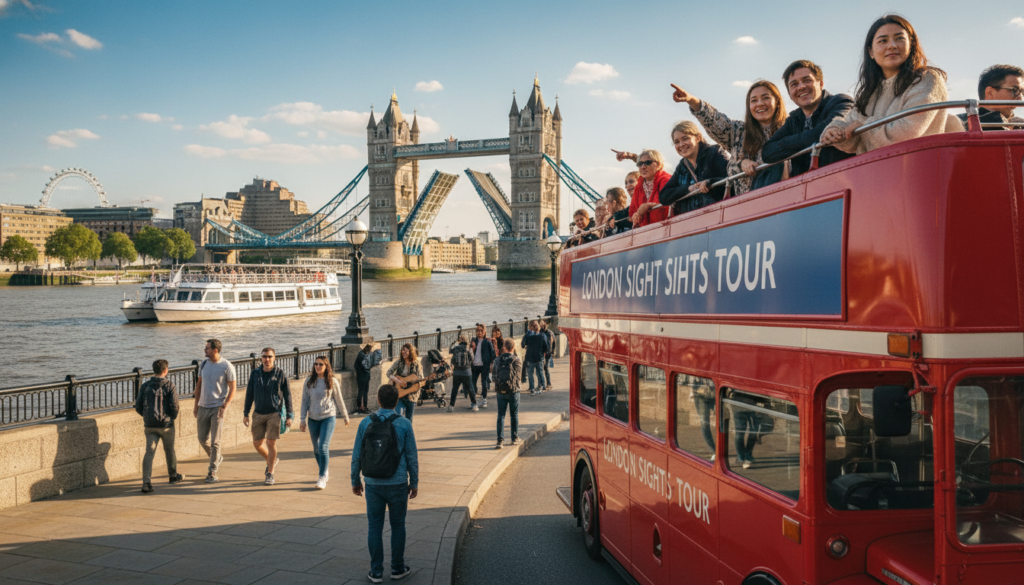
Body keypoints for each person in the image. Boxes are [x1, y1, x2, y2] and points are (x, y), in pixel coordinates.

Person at [821, 15, 956, 154]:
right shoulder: (869, 92)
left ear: (911, 44)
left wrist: (863, 126)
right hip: (873, 172)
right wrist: (836, 130)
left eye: (899, 38)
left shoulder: (927, 79)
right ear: (871, 52)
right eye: (883, 40)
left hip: (918, 168)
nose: (892, 45)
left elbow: (908, 132)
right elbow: (851, 133)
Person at [671, 80, 789, 195]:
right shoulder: (739, 131)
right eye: (753, 100)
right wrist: (692, 100)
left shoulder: (791, 127)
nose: (760, 103)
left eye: (765, 98)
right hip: (748, 207)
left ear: (777, 101)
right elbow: (715, 121)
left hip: (789, 201)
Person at [351, 384, 419, 583]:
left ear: (378, 401)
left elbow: (357, 456)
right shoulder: (404, 424)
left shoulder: (365, 423)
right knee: (398, 526)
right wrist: (413, 482)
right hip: (397, 483)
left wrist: (355, 480)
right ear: (397, 401)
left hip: (372, 482)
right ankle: (398, 568)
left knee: (374, 527)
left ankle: (376, 571)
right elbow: (412, 457)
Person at [762, 60, 856, 176]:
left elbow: (829, 129)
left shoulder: (841, 102)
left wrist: (788, 142)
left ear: (821, 84)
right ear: (790, 94)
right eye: (794, 84)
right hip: (806, 190)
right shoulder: (793, 120)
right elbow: (768, 152)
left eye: (807, 80)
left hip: (841, 181)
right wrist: (810, 137)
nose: (801, 87)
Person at [242, 347, 292, 486]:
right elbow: (249, 394)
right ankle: (272, 460)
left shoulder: (280, 373)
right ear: (261, 358)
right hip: (258, 412)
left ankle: (270, 473)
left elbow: (288, 395)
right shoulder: (255, 373)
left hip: (274, 413)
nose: (267, 359)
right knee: (257, 443)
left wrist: (289, 415)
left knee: (271, 442)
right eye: (264, 357)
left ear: (274, 358)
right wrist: (245, 413)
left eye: (269, 357)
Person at [658, 122, 731, 216]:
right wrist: (688, 188)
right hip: (692, 222)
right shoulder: (681, 166)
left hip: (720, 215)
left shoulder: (714, 152)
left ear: (698, 138)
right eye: (676, 142)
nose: (681, 144)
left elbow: (732, 180)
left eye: (685, 139)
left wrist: (710, 182)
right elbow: (663, 197)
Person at [299, 356, 350, 490]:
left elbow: (339, 399)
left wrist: (345, 415)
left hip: (328, 417)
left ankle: (322, 476)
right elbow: (304, 401)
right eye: (316, 364)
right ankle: (325, 469)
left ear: (326, 366)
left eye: (320, 364)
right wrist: (302, 419)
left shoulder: (332, 381)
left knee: (323, 446)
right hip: (313, 419)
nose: (317, 366)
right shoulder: (309, 382)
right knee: (316, 448)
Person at [134, 359, 183, 493]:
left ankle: (146, 482)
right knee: (170, 450)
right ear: (166, 370)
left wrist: (147, 417)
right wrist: (171, 417)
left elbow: (138, 406)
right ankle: (173, 476)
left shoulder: (145, 386)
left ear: (153, 370)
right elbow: (174, 406)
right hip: (166, 425)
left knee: (149, 452)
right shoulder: (169, 385)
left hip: (150, 425)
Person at [193, 339, 236, 484]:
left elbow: (233, 388)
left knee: (215, 442)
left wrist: (225, 406)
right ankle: (217, 458)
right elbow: (198, 387)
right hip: (203, 407)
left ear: (215, 350)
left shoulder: (226, 366)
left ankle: (212, 471)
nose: (205, 350)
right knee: (201, 438)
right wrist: (196, 406)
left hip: (217, 407)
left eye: (207, 348)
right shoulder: (203, 364)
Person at [611, 149, 671, 228]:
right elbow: (632, 211)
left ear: (659, 164)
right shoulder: (640, 186)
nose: (643, 167)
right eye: (640, 164)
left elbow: (669, 204)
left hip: (666, 227)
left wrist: (646, 206)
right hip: (646, 231)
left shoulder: (667, 180)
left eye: (647, 163)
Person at [957, 64, 1024, 130]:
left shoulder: (1018, 125)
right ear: (990, 93)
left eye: (1022, 92)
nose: (1021, 99)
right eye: (1014, 91)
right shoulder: (959, 122)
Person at [493, 339, 523, 449]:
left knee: (501, 415)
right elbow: (519, 376)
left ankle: (500, 440)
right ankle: (514, 438)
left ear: (504, 347)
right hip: (513, 391)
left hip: (500, 391)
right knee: (514, 414)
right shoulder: (517, 360)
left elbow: (494, 375)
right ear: (513, 347)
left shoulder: (497, 360)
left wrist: (498, 385)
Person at [387, 343, 422, 422]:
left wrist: (407, 380)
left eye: (406, 351)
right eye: (402, 350)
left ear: (411, 352)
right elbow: (388, 373)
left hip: (412, 395)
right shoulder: (399, 362)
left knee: (409, 419)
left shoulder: (416, 364)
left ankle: (407, 434)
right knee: (397, 416)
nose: (403, 352)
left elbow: (420, 378)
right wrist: (398, 381)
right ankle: (399, 433)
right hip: (400, 394)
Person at [447, 335, 477, 412]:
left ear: (458, 341)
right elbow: (472, 359)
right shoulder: (468, 349)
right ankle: (474, 405)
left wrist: (452, 344)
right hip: (467, 372)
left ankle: (451, 406)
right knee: (470, 388)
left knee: (455, 389)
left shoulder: (455, 349)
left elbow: (451, 355)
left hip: (457, 372)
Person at [469, 324, 495, 408]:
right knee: (472, 383)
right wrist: (472, 348)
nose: (479, 332)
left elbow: (492, 354)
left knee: (484, 383)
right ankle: (474, 400)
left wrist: (491, 364)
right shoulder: (473, 341)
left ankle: (484, 399)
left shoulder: (487, 342)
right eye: (477, 330)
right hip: (475, 365)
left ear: (484, 332)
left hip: (484, 365)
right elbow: (469, 353)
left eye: (481, 330)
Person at [521, 320, 550, 395]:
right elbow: (546, 347)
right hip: (539, 357)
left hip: (530, 357)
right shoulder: (542, 335)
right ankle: (542, 386)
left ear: (530, 327)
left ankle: (532, 388)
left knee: (530, 373)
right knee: (540, 372)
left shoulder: (528, 335)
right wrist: (542, 352)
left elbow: (522, 344)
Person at [354, 344, 373, 414]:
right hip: (362, 375)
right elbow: (356, 366)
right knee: (361, 391)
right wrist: (362, 372)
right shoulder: (361, 354)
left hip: (367, 374)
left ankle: (365, 407)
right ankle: (359, 407)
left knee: (365, 391)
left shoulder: (369, 354)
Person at [539, 320, 554, 391]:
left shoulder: (547, 333)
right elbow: (554, 342)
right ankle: (546, 384)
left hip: (545, 353)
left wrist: (552, 351)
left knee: (544, 368)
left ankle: (547, 384)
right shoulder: (549, 332)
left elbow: (553, 342)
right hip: (546, 352)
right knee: (544, 368)